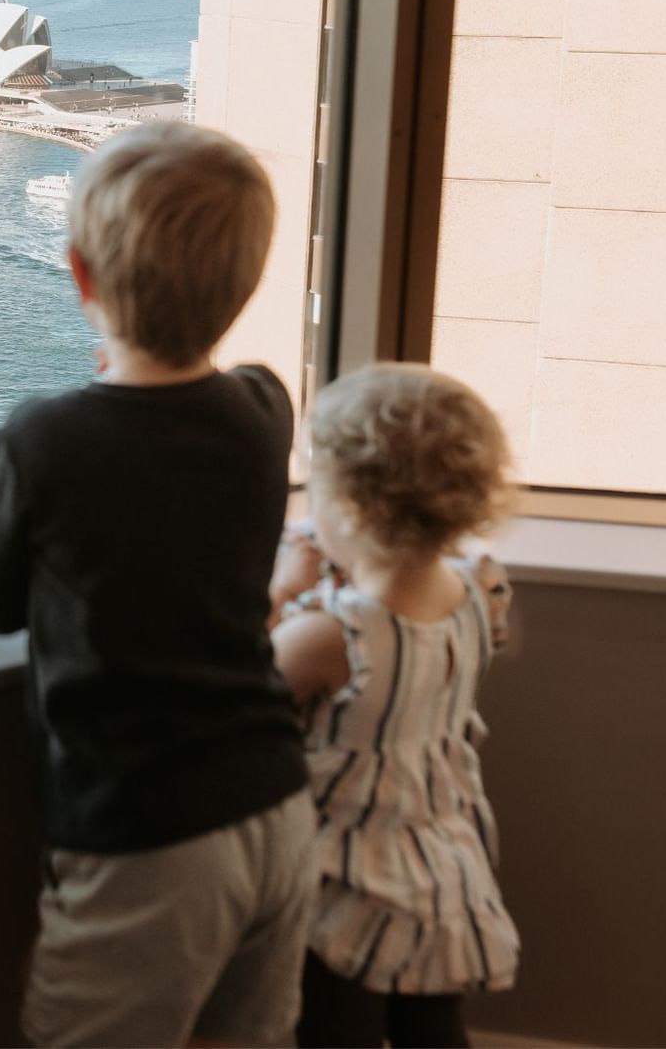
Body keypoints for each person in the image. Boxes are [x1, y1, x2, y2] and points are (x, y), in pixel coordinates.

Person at [0, 122, 315, 1047]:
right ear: (242, 288)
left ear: (80, 277)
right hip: (277, 804)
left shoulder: (45, 440)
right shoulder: (265, 409)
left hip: (148, 832)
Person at [271, 364, 521, 1048]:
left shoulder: (335, 636)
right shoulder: (477, 593)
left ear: (351, 509)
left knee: (333, 1029)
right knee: (429, 1026)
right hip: (442, 860)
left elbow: (239, 693)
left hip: (342, 877)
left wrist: (281, 589)